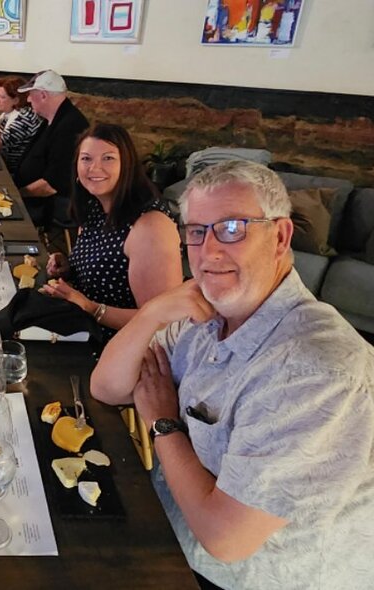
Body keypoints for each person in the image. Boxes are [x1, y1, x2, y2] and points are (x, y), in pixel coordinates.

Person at [90, 160, 374, 589]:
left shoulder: (315, 368)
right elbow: (107, 387)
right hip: (178, 540)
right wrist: (152, 313)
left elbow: (227, 540)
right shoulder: (208, 315)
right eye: (197, 232)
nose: (209, 252)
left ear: (280, 237)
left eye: (233, 228)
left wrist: (163, 423)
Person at [41, 124, 183, 341]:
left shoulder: (151, 226)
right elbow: (108, 270)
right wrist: (71, 267)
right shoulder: (96, 208)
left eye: (108, 158)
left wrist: (90, 307)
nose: (94, 168)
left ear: (127, 165)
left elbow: (162, 321)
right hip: (80, 331)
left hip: (119, 349)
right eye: (86, 159)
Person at [14, 69, 90, 229]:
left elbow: (51, 185)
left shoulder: (70, 126)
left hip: (50, 205)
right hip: (35, 198)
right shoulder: (54, 118)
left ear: (43, 95)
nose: (28, 99)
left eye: (30, 94)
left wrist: (17, 195)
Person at [0, 75, 42, 175]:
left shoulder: (24, 118)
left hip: (15, 173)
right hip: (2, 165)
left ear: (16, 100)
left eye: (2, 97)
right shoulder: (9, 113)